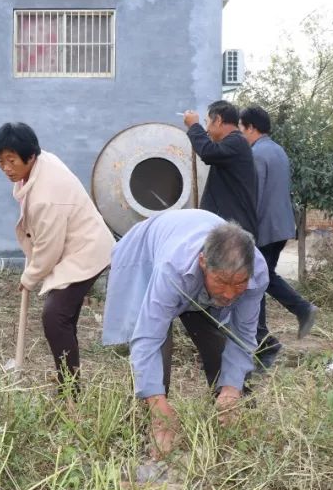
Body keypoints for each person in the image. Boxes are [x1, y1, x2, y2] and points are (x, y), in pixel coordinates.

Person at [102, 209, 267, 456]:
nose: (231, 294)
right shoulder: (173, 268)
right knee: (158, 356)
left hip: (191, 268)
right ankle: (143, 436)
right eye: (222, 282)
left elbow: (243, 335)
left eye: (239, 284)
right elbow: (148, 336)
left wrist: (232, 388)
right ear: (203, 263)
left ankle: (230, 422)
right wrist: (158, 406)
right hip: (147, 256)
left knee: (219, 351)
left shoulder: (256, 271)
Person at [0, 122, 115, 392]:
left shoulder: (47, 195)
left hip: (86, 251)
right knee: (63, 318)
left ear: (30, 156)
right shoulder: (41, 162)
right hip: (77, 245)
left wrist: (29, 277)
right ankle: (70, 385)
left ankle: (70, 389)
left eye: (12, 161)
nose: (6, 168)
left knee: (55, 316)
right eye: (1, 162)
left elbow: (49, 248)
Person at [239, 106, 318, 368]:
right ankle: (301, 310)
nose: (241, 134)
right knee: (266, 276)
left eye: (241, 129)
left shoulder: (256, 154)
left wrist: (244, 232)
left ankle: (265, 344)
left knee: (256, 281)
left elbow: (255, 197)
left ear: (250, 127)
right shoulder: (277, 150)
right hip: (281, 226)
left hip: (264, 228)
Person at [182, 101, 259, 237]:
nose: (206, 130)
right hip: (230, 229)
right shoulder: (234, 143)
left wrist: (194, 126)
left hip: (234, 232)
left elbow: (207, 152)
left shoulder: (237, 142)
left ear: (217, 120)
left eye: (207, 122)